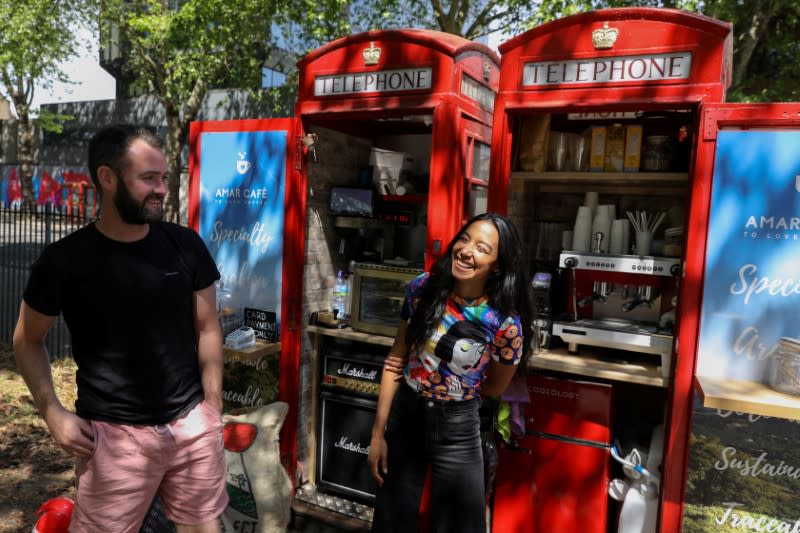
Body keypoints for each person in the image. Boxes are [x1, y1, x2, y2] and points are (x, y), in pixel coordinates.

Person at [12, 124, 228, 533]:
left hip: (192, 426)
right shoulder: (64, 261)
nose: (162, 188)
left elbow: (208, 327)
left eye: (164, 177)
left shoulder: (186, 245)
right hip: (113, 441)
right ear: (107, 178)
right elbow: (27, 340)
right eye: (149, 178)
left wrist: (212, 407)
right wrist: (52, 412)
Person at [368, 212, 534, 533]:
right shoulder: (422, 289)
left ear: (498, 265)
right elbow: (395, 360)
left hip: (458, 431)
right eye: (465, 239)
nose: (467, 250)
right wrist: (378, 435)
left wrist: (452, 391)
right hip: (406, 421)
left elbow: (494, 387)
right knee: (391, 522)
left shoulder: (504, 323)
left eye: (483, 248)